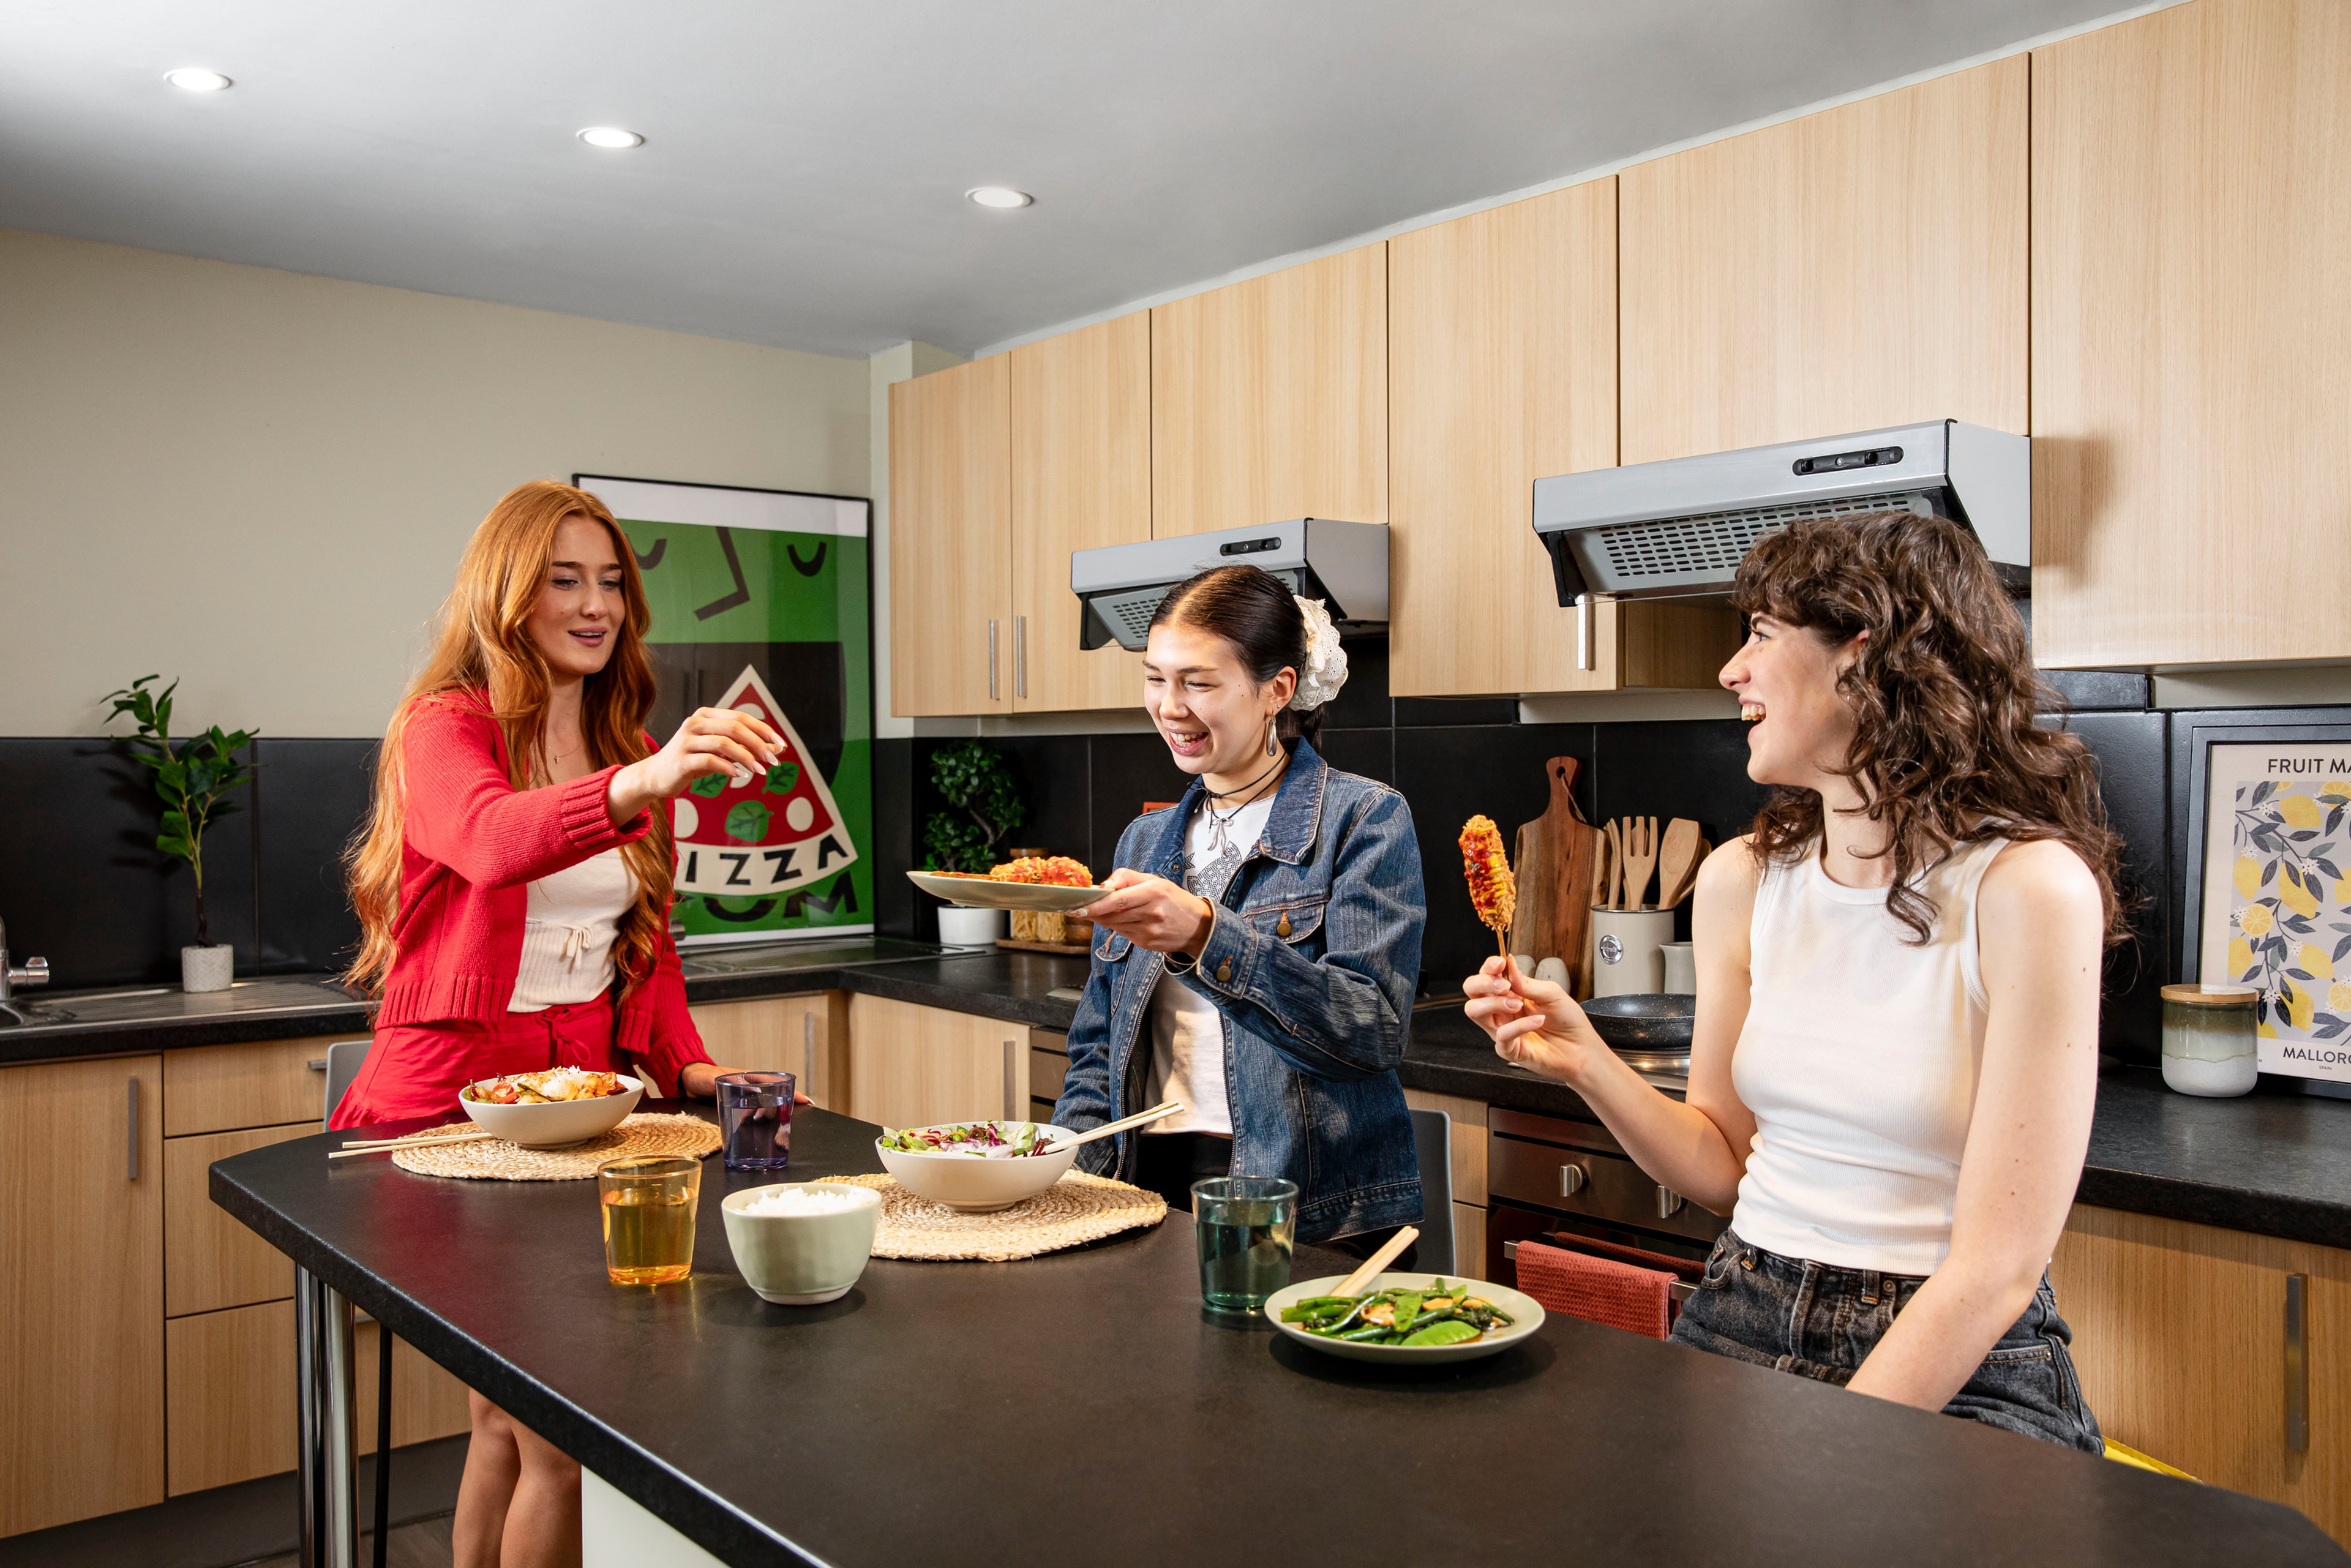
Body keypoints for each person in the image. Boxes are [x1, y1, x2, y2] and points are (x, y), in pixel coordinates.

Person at [1464, 510, 2123, 1450]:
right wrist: (1586, 1061)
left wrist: (1824, 1461)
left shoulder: (2029, 889)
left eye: (1762, 635)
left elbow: (1995, 1270)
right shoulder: (1743, 878)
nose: (1731, 670)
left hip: (1960, 1360)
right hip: (1740, 1310)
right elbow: (1725, 1168)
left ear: (1865, 652)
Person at [340, 479, 787, 1567]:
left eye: (611, 583)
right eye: (563, 580)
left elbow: (649, 944)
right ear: (507, 595)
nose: (595, 605)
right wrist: (647, 776)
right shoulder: (444, 727)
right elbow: (492, 839)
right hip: (448, 1104)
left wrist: (685, 1067)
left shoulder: (619, 737)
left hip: (587, 1099)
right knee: (554, 1425)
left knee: (508, 1417)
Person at [1053, 565, 1425, 1251]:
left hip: (1302, 1200)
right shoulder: (1145, 838)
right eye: (1155, 678)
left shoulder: (1365, 817)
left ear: (1275, 690)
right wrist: (1073, 1184)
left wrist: (1205, 934)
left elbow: (1371, 1033)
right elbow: (1097, 1044)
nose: (1170, 706)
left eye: (1199, 682)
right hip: (1147, 1181)